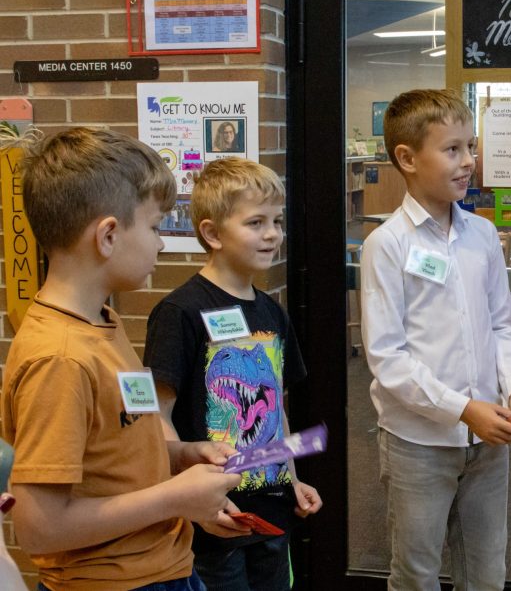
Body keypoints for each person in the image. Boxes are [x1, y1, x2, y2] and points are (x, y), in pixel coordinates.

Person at [1, 127, 243, 591]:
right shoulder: (61, 358)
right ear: (108, 235)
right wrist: (174, 498)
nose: (161, 243)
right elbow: (39, 527)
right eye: (154, 227)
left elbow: (110, 451)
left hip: (163, 567)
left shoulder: (101, 321)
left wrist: (179, 456)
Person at [360, 89, 511, 591]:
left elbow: (503, 324)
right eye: (452, 149)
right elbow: (388, 358)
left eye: (470, 147)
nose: (468, 161)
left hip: (489, 439)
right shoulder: (387, 244)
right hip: (418, 443)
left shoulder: (482, 235)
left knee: (487, 571)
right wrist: (462, 409)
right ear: (407, 158)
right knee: (416, 573)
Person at [144, 158, 322, 590]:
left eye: (276, 222)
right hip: (213, 519)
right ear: (212, 233)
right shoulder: (180, 311)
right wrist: (187, 496)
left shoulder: (272, 312)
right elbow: (157, 416)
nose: (272, 234)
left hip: (271, 512)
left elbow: (275, 408)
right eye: (255, 223)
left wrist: (292, 479)